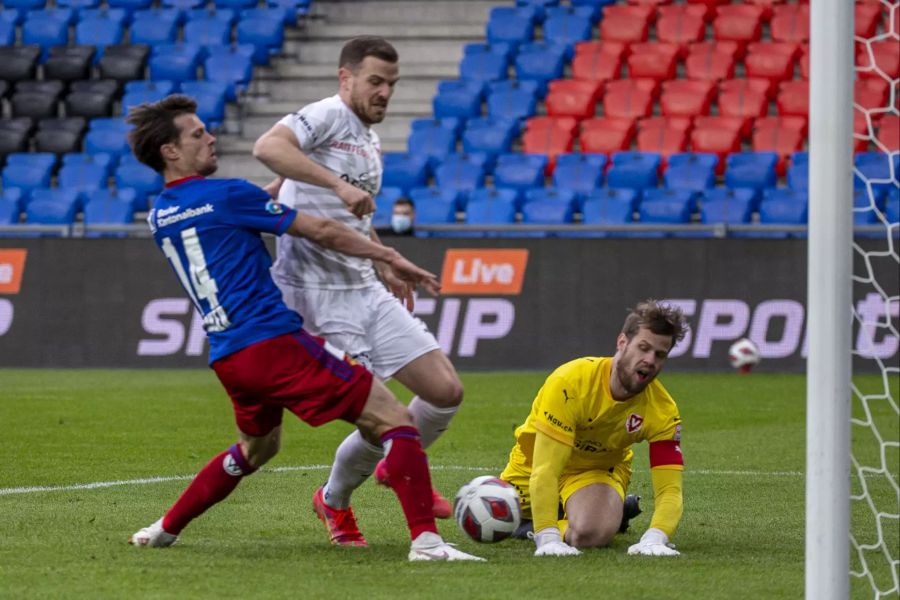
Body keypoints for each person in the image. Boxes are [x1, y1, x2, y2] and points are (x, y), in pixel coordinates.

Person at [124, 94, 483, 562]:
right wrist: (387, 255)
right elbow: (322, 230)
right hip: (274, 343)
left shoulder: (162, 215)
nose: (210, 138)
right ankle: (427, 543)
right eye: (197, 134)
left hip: (228, 356)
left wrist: (296, 170)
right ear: (170, 151)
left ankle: (163, 529)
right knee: (395, 419)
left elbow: (254, 202)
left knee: (255, 450)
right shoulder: (227, 196)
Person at [253, 36, 465, 547]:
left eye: (392, 84)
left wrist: (383, 259)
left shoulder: (367, 140)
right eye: (375, 81)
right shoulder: (325, 114)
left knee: (443, 392)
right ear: (345, 78)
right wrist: (337, 185)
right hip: (317, 298)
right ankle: (336, 501)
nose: (385, 92)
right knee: (381, 418)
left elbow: (347, 213)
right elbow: (268, 148)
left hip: (363, 285)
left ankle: (396, 465)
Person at [499, 300, 688, 558]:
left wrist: (656, 537)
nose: (649, 360)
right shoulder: (570, 382)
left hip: (594, 470)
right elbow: (545, 470)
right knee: (496, 514)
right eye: (643, 348)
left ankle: (595, 513)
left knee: (590, 535)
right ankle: (607, 511)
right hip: (534, 463)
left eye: (659, 354)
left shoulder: (662, 410)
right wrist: (547, 537)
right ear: (622, 342)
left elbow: (670, 489)